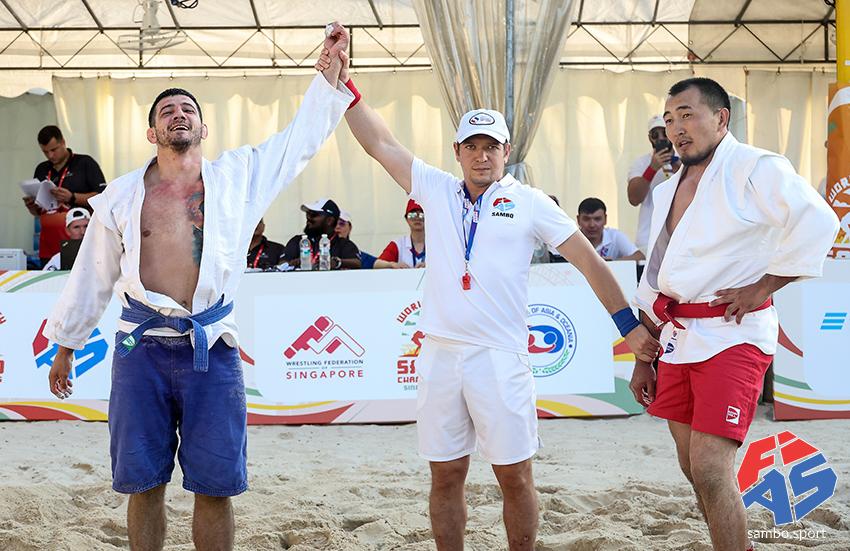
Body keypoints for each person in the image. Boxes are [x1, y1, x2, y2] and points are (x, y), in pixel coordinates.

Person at [316, 48, 659, 551]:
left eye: (491, 146)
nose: (482, 156)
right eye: (472, 146)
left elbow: (590, 263)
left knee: (514, 476)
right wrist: (345, 84)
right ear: (456, 151)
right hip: (439, 355)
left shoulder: (530, 202)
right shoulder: (435, 188)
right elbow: (380, 143)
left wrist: (628, 327)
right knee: (445, 474)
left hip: (500, 357)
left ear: (506, 150)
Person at [43, 23, 354, 551]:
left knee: (215, 486)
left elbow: (297, 143)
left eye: (187, 108)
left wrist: (328, 76)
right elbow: (92, 273)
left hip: (213, 349)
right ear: (152, 133)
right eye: (166, 111)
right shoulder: (121, 195)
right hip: (141, 349)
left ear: (204, 128)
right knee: (143, 483)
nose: (178, 114)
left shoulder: (238, 177)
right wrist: (66, 347)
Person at [628, 77, 839, 551]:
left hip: (734, 334)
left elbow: (819, 219)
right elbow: (657, 276)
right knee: (691, 465)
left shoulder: (755, 166)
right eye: (669, 120)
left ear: (721, 118)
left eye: (687, 115)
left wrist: (765, 285)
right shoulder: (667, 189)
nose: (676, 129)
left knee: (709, 466)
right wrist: (645, 357)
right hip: (677, 337)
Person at [24, 125, 107, 265]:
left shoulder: (85, 163)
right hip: (48, 243)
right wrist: (32, 206)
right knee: (49, 277)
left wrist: (72, 197)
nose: (50, 155)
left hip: (78, 241)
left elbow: (103, 197)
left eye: (53, 150)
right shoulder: (41, 169)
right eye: (45, 152)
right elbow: (37, 212)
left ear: (63, 142)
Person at [627, 115, 681, 253]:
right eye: (655, 135)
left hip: (681, 236)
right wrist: (652, 169)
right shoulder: (641, 163)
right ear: (650, 138)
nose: (661, 138)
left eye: (664, 132)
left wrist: (681, 169)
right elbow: (634, 199)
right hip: (650, 237)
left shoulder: (684, 160)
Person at [281, 198, 362, 270]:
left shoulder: (344, 244)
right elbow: (281, 262)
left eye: (313, 215)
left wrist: (337, 262)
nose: (308, 218)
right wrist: (290, 263)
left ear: (329, 220)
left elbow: (356, 263)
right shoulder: (297, 241)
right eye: (307, 214)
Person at [576, 197, 645, 261]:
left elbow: (640, 256)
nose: (592, 225)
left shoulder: (615, 236)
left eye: (597, 219)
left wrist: (612, 263)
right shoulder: (571, 238)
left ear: (605, 219)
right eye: (586, 219)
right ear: (578, 220)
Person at [375, 199, 426, 268]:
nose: (417, 218)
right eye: (412, 215)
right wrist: (392, 264)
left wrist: (432, 266)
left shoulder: (437, 243)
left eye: (422, 215)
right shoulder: (398, 244)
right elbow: (377, 264)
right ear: (406, 219)